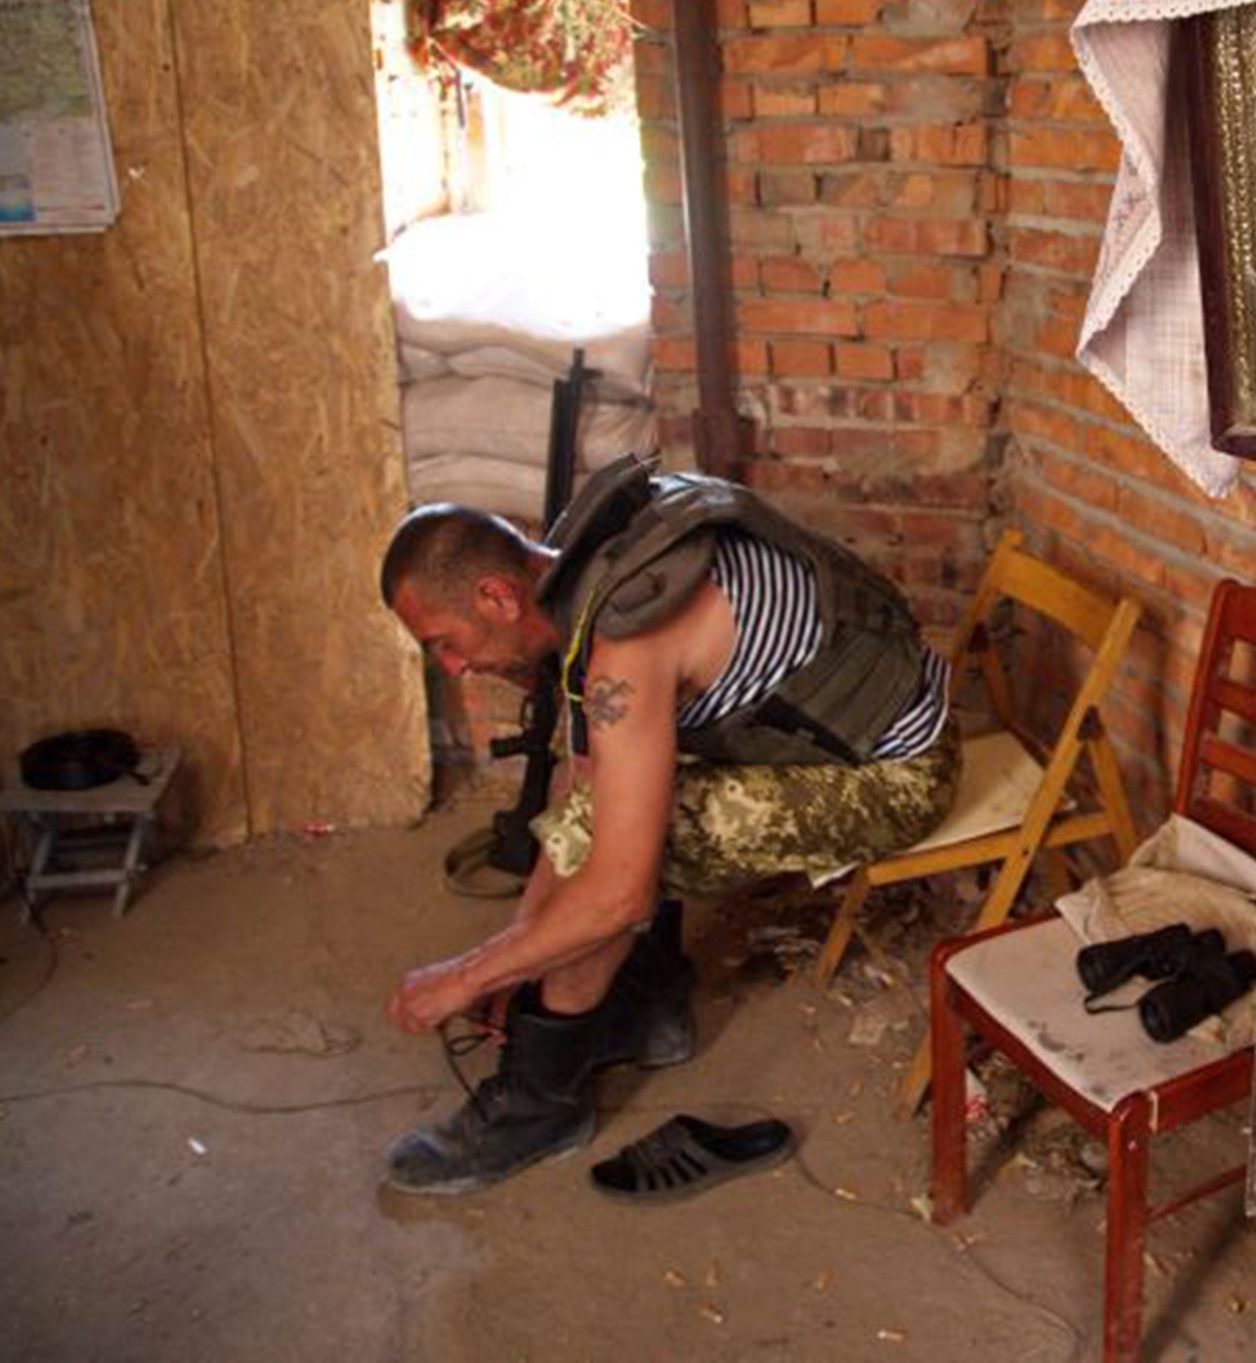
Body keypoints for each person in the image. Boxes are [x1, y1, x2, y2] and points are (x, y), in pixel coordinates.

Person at [376, 455, 959, 1195]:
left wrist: (465, 978)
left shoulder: (627, 643)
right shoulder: (597, 567)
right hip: (849, 726)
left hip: (897, 773)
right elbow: (583, 786)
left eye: (445, 644)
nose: (454, 669)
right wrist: (518, 957)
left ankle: (539, 1107)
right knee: (617, 810)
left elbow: (616, 892)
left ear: (494, 595)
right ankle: (643, 1013)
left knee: (622, 862)